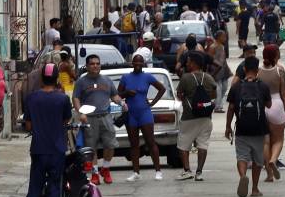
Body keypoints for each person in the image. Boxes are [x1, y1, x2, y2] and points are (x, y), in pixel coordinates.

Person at [24, 63, 73, 197]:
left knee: (35, 186)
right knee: (55, 185)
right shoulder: (62, 98)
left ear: (41, 78)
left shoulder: (31, 98)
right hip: (57, 148)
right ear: (57, 78)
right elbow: (66, 120)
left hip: (38, 148)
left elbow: (28, 126)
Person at [72, 54, 124, 184]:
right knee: (91, 146)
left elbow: (114, 96)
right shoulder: (81, 81)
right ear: (87, 66)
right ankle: (95, 174)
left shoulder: (106, 80)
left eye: (97, 63)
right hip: (89, 118)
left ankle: (105, 169)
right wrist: (81, 112)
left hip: (105, 116)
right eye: (92, 64)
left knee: (110, 144)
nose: (95, 66)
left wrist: (122, 103)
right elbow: (76, 98)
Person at [225, 57, 272, 197]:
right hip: (259, 129)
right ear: (257, 70)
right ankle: (255, 189)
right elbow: (269, 105)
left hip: (241, 129)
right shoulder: (263, 86)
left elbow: (231, 108)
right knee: (258, 161)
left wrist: (228, 127)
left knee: (242, 156)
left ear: (244, 69)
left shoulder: (236, 87)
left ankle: (243, 176)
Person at [118, 51, 166, 182]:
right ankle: (136, 172)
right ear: (132, 63)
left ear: (143, 64)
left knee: (151, 142)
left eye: (140, 62)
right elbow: (118, 94)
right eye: (136, 62)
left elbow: (162, 89)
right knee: (134, 144)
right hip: (131, 114)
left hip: (144, 113)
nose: (138, 64)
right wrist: (127, 92)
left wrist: (153, 102)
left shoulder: (148, 77)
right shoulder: (126, 77)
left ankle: (158, 171)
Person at [177, 51, 217, 181]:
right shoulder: (209, 77)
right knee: (203, 144)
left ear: (193, 63)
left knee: (183, 143)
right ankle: (199, 172)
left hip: (189, 116)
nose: (187, 64)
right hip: (206, 117)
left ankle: (187, 170)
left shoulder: (186, 78)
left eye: (188, 61)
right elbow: (214, 95)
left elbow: (179, 94)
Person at [258, 44, 285, 181]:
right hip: (277, 105)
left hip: (262, 107)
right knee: (278, 139)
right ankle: (273, 160)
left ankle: (269, 174)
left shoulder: (258, 71)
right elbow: (284, 92)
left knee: (265, 142)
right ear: (275, 55)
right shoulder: (280, 70)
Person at [211, 30, 233, 112]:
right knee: (218, 88)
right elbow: (210, 59)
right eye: (223, 36)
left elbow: (223, 59)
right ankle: (218, 106)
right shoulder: (213, 47)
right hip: (216, 70)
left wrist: (227, 69)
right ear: (219, 37)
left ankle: (217, 102)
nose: (225, 38)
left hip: (223, 70)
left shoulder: (222, 46)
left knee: (224, 87)